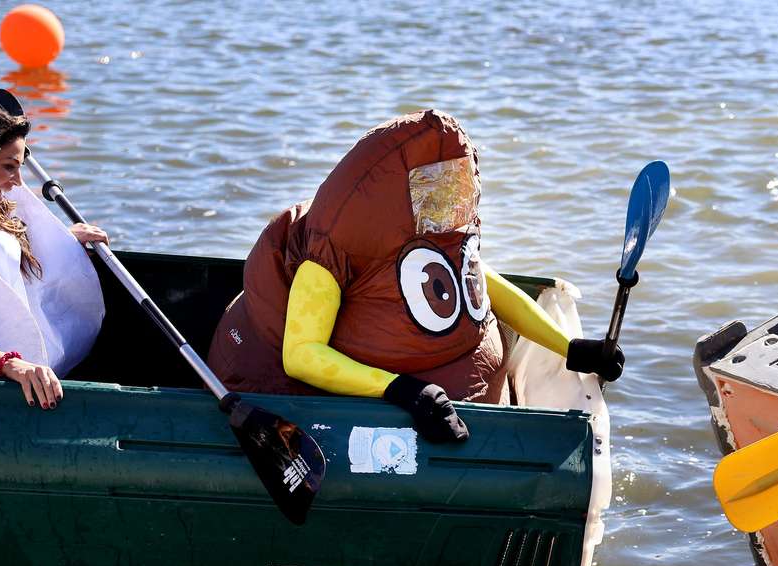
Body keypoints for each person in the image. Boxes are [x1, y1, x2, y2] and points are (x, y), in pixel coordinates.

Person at [207, 109, 622, 442]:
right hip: (302, 395)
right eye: (431, 184)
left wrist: (572, 347)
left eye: (453, 183)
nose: (446, 199)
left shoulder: (428, 234)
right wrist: (402, 389)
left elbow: (485, 285)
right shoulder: (334, 252)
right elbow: (300, 355)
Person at [0, 93, 107, 409]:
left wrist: (64, 242)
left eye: (20, 166)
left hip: (21, 376)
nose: (17, 182)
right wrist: (9, 364)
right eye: (9, 167)